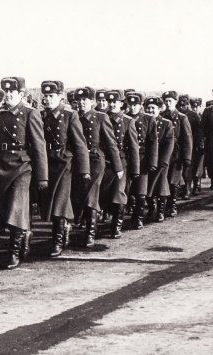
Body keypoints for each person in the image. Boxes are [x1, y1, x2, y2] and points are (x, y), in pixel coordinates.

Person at [0, 77, 48, 268]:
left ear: (21, 94)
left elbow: (39, 147)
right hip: (1, 166)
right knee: (2, 209)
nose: (9, 95)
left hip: (22, 168)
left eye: (13, 92)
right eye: (6, 92)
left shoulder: (30, 113)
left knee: (16, 208)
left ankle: (13, 251)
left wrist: (42, 176)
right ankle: (23, 234)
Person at [39, 80, 90, 256]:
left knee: (59, 203)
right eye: (45, 96)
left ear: (60, 97)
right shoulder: (40, 115)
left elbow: (80, 144)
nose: (47, 99)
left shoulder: (70, 115)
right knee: (50, 203)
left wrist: (84, 171)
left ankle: (57, 241)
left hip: (65, 164)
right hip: (47, 164)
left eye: (51, 96)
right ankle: (64, 228)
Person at [71, 86, 122, 247]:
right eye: (78, 100)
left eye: (85, 100)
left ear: (92, 101)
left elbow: (111, 143)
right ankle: (81, 225)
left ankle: (90, 234)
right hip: (77, 162)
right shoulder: (73, 117)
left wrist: (118, 167)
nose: (81, 103)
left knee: (91, 195)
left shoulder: (100, 118)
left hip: (95, 161)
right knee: (78, 195)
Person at [102, 90, 139, 238]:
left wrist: (135, 170)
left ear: (121, 103)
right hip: (104, 162)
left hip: (121, 163)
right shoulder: (101, 117)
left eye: (114, 102)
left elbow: (133, 146)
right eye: (109, 102)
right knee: (104, 194)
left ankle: (116, 225)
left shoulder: (128, 121)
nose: (111, 104)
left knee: (118, 194)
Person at [125, 92, 158, 229]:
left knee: (141, 190)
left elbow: (153, 142)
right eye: (130, 105)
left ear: (140, 106)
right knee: (127, 189)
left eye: (136, 105)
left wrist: (152, 162)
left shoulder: (149, 119)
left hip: (142, 158)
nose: (133, 107)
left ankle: (139, 217)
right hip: (127, 157)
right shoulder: (124, 118)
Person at [161, 91, 192, 215]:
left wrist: (187, 157)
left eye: (170, 101)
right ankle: (163, 206)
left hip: (176, 155)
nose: (168, 103)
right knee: (164, 180)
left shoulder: (181, 118)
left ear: (175, 101)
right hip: (163, 154)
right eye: (166, 101)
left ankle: (172, 205)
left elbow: (187, 139)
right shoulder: (161, 116)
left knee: (174, 181)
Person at [144, 97, 174, 222]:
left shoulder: (166, 123)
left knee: (161, 185)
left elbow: (169, 143)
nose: (151, 110)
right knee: (148, 185)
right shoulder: (143, 121)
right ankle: (151, 208)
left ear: (160, 109)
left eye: (153, 108)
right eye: (149, 108)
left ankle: (160, 211)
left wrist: (163, 161)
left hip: (161, 160)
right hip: (148, 159)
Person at [177, 94, 203, 198]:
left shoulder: (194, 115)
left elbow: (199, 132)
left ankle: (187, 189)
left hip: (191, 146)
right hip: (179, 146)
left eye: (185, 104)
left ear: (188, 104)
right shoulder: (177, 115)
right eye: (181, 104)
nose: (182, 107)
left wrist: (198, 145)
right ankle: (183, 188)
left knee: (189, 168)